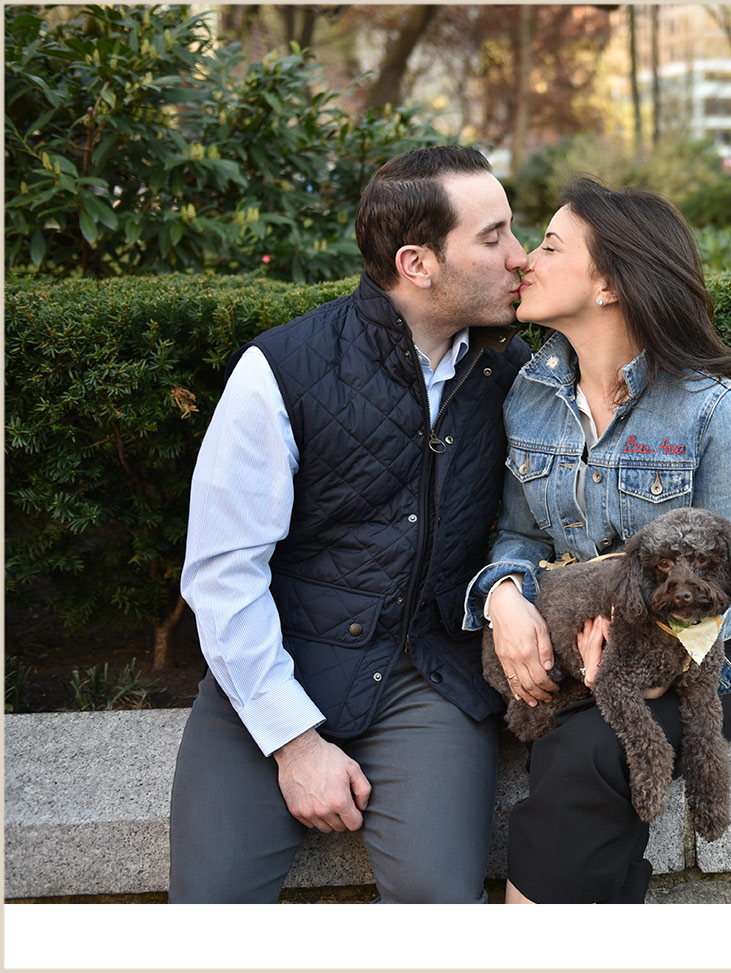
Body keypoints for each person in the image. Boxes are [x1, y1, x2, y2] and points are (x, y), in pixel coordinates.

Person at [168, 145, 532, 903]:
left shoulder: (515, 375)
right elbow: (222, 570)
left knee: (439, 905)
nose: (519, 257)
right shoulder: (282, 369)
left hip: (431, 677)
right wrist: (293, 740)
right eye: (493, 237)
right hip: (280, 661)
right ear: (418, 262)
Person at [463, 178, 731, 904]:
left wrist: (639, 674)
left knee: (591, 748)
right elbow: (517, 534)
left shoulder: (706, 409)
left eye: (549, 244)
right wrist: (503, 597)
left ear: (607, 283)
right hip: (577, 632)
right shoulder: (529, 392)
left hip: (701, 656)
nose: (525, 259)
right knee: (577, 742)